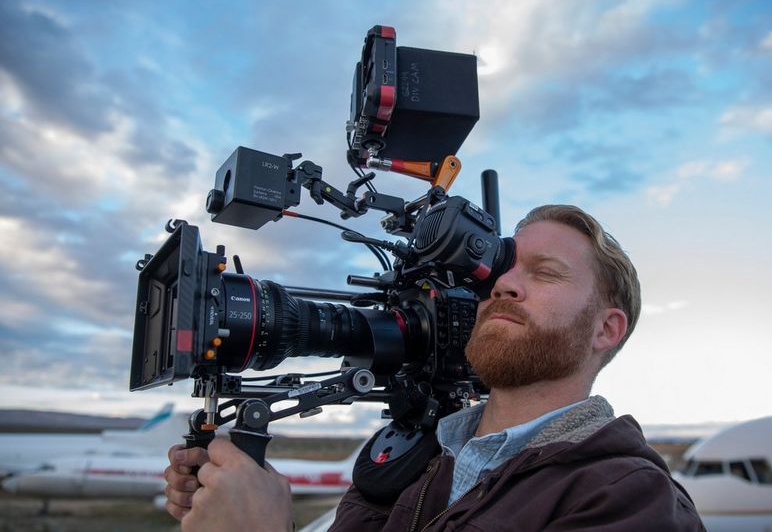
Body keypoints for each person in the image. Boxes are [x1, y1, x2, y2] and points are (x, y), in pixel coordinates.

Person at [164, 204, 705, 531]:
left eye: (545, 273)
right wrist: (251, 508)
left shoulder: (632, 501)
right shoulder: (418, 461)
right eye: (501, 269)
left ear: (606, 329)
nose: (503, 284)